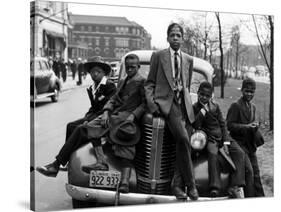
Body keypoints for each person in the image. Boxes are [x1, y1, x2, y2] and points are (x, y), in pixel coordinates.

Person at [37, 54, 146, 194]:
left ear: (138, 67)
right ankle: (96, 162)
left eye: (133, 67)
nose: (130, 69)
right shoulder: (123, 81)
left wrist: (132, 116)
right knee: (87, 127)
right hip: (114, 117)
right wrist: (106, 111)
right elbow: (114, 99)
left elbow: (144, 104)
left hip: (126, 120)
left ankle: (57, 164)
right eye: (128, 67)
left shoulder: (142, 81)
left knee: (86, 129)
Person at [144, 23, 198, 200]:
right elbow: (150, 83)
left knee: (183, 144)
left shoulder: (188, 59)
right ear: (167, 38)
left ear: (182, 38)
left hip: (185, 107)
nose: (175, 38)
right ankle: (191, 186)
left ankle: (176, 184)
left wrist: (188, 104)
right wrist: (153, 106)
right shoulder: (159, 56)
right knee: (183, 139)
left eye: (178, 35)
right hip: (168, 104)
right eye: (172, 35)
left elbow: (187, 85)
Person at [192, 81, 254, 197]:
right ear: (198, 93)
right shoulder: (195, 108)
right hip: (210, 138)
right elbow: (195, 124)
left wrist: (226, 142)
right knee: (212, 154)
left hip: (223, 137)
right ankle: (214, 186)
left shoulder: (215, 107)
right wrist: (203, 111)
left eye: (207, 96)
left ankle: (235, 185)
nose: (204, 98)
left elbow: (223, 125)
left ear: (211, 96)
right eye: (202, 95)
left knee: (239, 153)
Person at [226, 78, 265, 197]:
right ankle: (249, 198)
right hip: (238, 144)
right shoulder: (236, 106)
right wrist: (246, 127)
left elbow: (251, 123)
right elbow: (230, 125)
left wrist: (255, 126)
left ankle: (260, 199)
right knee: (249, 171)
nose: (249, 94)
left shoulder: (252, 107)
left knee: (256, 173)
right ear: (242, 91)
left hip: (250, 145)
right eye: (247, 91)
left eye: (252, 92)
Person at [65, 57, 117, 141]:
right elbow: (94, 106)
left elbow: (110, 105)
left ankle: (66, 152)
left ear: (104, 73)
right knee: (70, 126)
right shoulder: (92, 87)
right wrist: (87, 115)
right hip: (93, 116)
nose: (95, 74)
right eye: (93, 72)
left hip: (102, 118)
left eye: (98, 72)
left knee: (78, 129)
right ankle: (70, 152)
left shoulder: (109, 85)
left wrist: (88, 119)